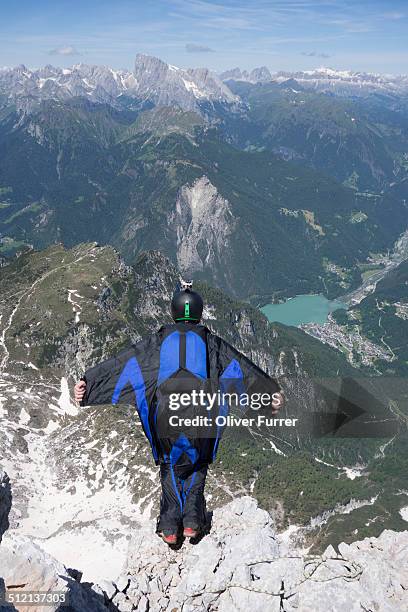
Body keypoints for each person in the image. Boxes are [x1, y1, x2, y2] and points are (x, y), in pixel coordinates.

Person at [74, 283, 284, 545]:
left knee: (170, 464)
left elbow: (122, 363)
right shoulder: (211, 343)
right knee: (197, 463)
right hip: (200, 413)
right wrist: (269, 393)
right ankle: (193, 523)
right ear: (199, 312)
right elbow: (240, 368)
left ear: (174, 312)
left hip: (165, 417)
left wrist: (88, 382)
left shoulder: (156, 343)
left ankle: (170, 527)